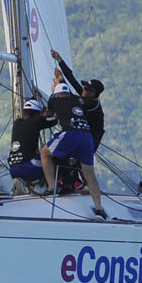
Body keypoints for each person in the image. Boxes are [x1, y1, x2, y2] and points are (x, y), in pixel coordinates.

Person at [41, 82, 108, 218]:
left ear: (56, 94)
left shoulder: (55, 100)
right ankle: (99, 209)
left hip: (70, 133)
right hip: (87, 137)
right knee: (89, 173)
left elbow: (48, 113)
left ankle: (52, 188)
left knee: (45, 153)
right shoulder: (78, 100)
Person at [50, 51, 105, 146]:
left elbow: (70, 99)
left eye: (86, 89)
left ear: (93, 93)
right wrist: (59, 60)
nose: (83, 89)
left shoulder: (92, 104)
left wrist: (60, 83)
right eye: (84, 86)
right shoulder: (86, 96)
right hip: (82, 134)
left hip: (91, 141)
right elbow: (73, 80)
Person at [5, 97, 53, 192]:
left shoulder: (17, 123)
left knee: (32, 158)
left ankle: (22, 182)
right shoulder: (36, 121)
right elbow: (54, 121)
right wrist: (45, 114)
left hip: (12, 168)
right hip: (29, 167)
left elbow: (31, 122)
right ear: (36, 114)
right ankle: (41, 186)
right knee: (50, 159)